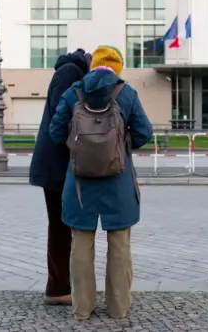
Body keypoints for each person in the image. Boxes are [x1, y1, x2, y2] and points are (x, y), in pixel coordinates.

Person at [49, 45, 153, 320]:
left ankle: (83, 308)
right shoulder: (126, 93)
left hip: (80, 182)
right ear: (117, 68)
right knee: (119, 245)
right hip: (118, 181)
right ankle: (118, 308)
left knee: (81, 244)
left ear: (93, 64)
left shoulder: (74, 92)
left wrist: (78, 144)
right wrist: (122, 144)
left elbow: (55, 131)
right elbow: (144, 131)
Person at [29, 48, 91, 306]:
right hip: (57, 165)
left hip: (56, 163)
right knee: (61, 227)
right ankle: (58, 289)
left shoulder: (69, 70)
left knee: (62, 226)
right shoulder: (71, 72)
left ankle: (61, 286)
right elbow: (62, 116)